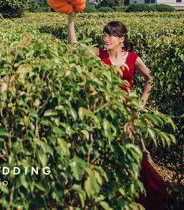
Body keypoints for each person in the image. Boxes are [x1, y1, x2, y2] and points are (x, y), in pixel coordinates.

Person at [68, 12, 168, 209]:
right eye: (104, 35)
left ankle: (132, 195)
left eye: (110, 35)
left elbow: (150, 79)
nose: (105, 39)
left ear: (121, 39)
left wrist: (141, 104)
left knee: (128, 154)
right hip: (104, 112)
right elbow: (74, 48)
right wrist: (71, 20)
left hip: (127, 114)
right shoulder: (100, 54)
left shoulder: (132, 58)